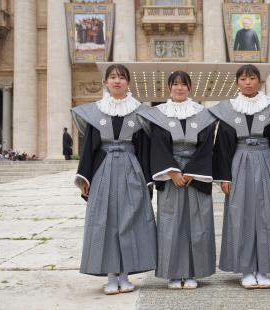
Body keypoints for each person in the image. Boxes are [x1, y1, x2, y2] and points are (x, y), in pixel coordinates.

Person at [70, 64, 157, 295]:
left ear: (128, 82)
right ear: (105, 82)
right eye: (112, 77)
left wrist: (148, 180)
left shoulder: (139, 112)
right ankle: (110, 275)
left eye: (121, 77)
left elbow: (144, 148)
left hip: (131, 168)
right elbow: (89, 147)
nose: (117, 81)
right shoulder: (96, 111)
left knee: (131, 219)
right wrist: (84, 178)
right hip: (103, 170)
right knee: (105, 221)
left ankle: (126, 274)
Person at [210, 64, 270, 289]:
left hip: (265, 161)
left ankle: (263, 269)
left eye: (252, 78)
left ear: (260, 81)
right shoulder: (229, 110)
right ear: (237, 82)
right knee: (241, 214)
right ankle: (246, 269)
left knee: (266, 214)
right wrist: (224, 176)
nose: (248, 82)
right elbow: (223, 145)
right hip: (239, 163)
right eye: (243, 78)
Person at [136, 71, 216, 290]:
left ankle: (193, 272)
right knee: (170, 223)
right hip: (170, 176)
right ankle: (173, 273)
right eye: (175, 84)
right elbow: (157, 146)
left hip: (195, 177)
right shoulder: (159, 114)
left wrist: (191, 172)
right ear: (169, 87)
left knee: (197, 224)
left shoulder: (204, 114)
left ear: (190, 87)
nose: (179, 88)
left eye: (184, 84)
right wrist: (172, 172)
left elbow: (207, 145)